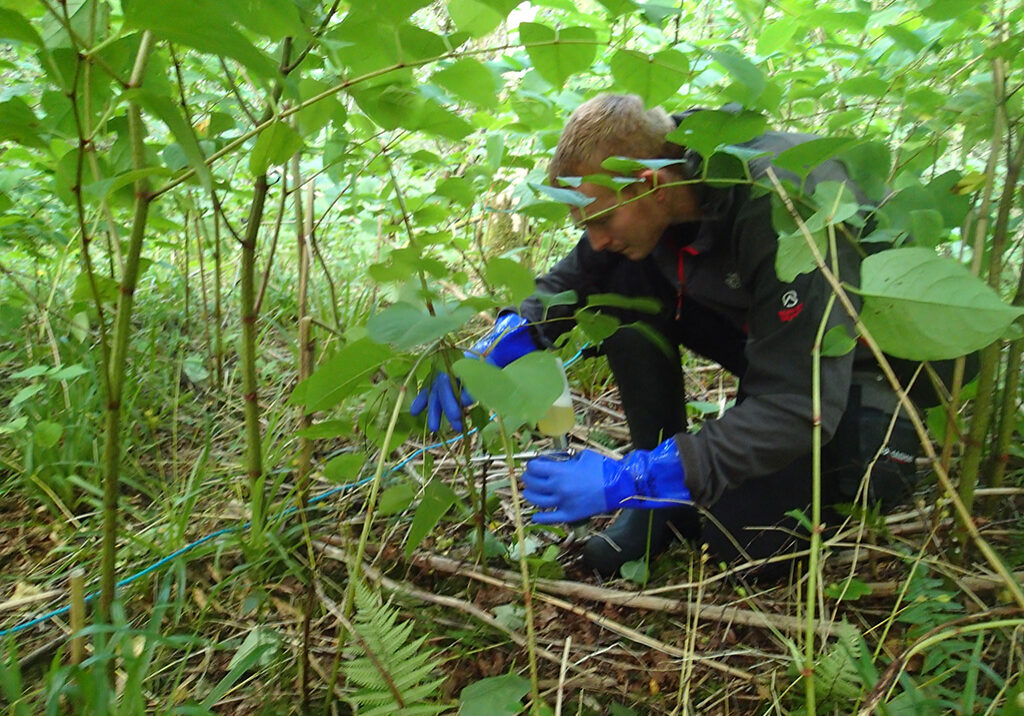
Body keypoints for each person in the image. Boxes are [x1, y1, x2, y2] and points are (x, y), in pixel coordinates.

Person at [413, 94, 924, 579]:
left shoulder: (784, 208)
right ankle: (661, 512)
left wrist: (632, 478)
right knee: (619, 276)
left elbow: (799, 406)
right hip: (779, 349)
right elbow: (577, 277)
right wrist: (498, 347)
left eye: (602, 219)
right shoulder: (660, 177)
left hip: (864, 367)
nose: (595, 239)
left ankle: (664, 484)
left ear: (643, 185)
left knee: (748, 544)